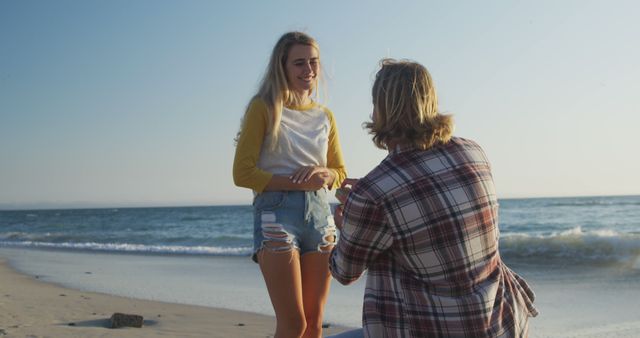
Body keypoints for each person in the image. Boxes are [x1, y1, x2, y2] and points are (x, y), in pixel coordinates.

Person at [329, 59, 537, 337]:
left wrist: (346, 225)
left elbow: (344, 272)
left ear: (380, 109)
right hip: (502, 324)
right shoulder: (474, 154)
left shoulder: (374, 192)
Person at [233, 31, 346, 338]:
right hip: (276, 215)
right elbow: (242, 174)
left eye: (313, 62)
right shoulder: (264, 107)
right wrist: (297, 184)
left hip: (321, 217)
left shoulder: (326, 116)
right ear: (282, 66)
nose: (308, 69)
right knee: (293, 323)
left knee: (314, 321)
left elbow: (339, 171)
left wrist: (326, 176)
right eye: (299, 63)